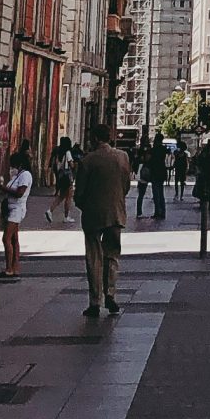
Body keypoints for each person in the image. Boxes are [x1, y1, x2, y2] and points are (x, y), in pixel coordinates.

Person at [74, 122, 131, 321]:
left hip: (92, 215)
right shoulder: (123, 157)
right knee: (113, 255)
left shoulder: (87, 160)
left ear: (96, 138)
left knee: (93, 257)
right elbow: (126, 186)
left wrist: (86, 205)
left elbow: (78, 193)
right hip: (116, 213)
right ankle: (111, 294)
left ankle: (94, 301)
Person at [2, 147, 34, 275]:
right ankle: (15, 267)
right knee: (14, 239)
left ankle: (9, 268)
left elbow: (20, 192)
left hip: (17, 209)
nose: (11, 168)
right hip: (11, 208)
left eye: (13, 165)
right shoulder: (17, 176)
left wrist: (4, 188)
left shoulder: (25, 175)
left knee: (6, 238)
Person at [47, 134, 76, 225]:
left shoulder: (58, 152)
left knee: (61, 196)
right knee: (68, 197)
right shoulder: (67, 152)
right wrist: (75, 165)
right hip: (67, 177)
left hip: (60, 176)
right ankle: (66, 217)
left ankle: (50, 210)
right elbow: (71, 165)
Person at [144, 130, 168, 223]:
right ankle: (163, 211)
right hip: (162, 172)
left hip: (155, 172)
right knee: (161, 193)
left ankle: (157, 211)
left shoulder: (153, 149)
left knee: (156, 193)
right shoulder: (163, 149)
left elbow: (148, 160)